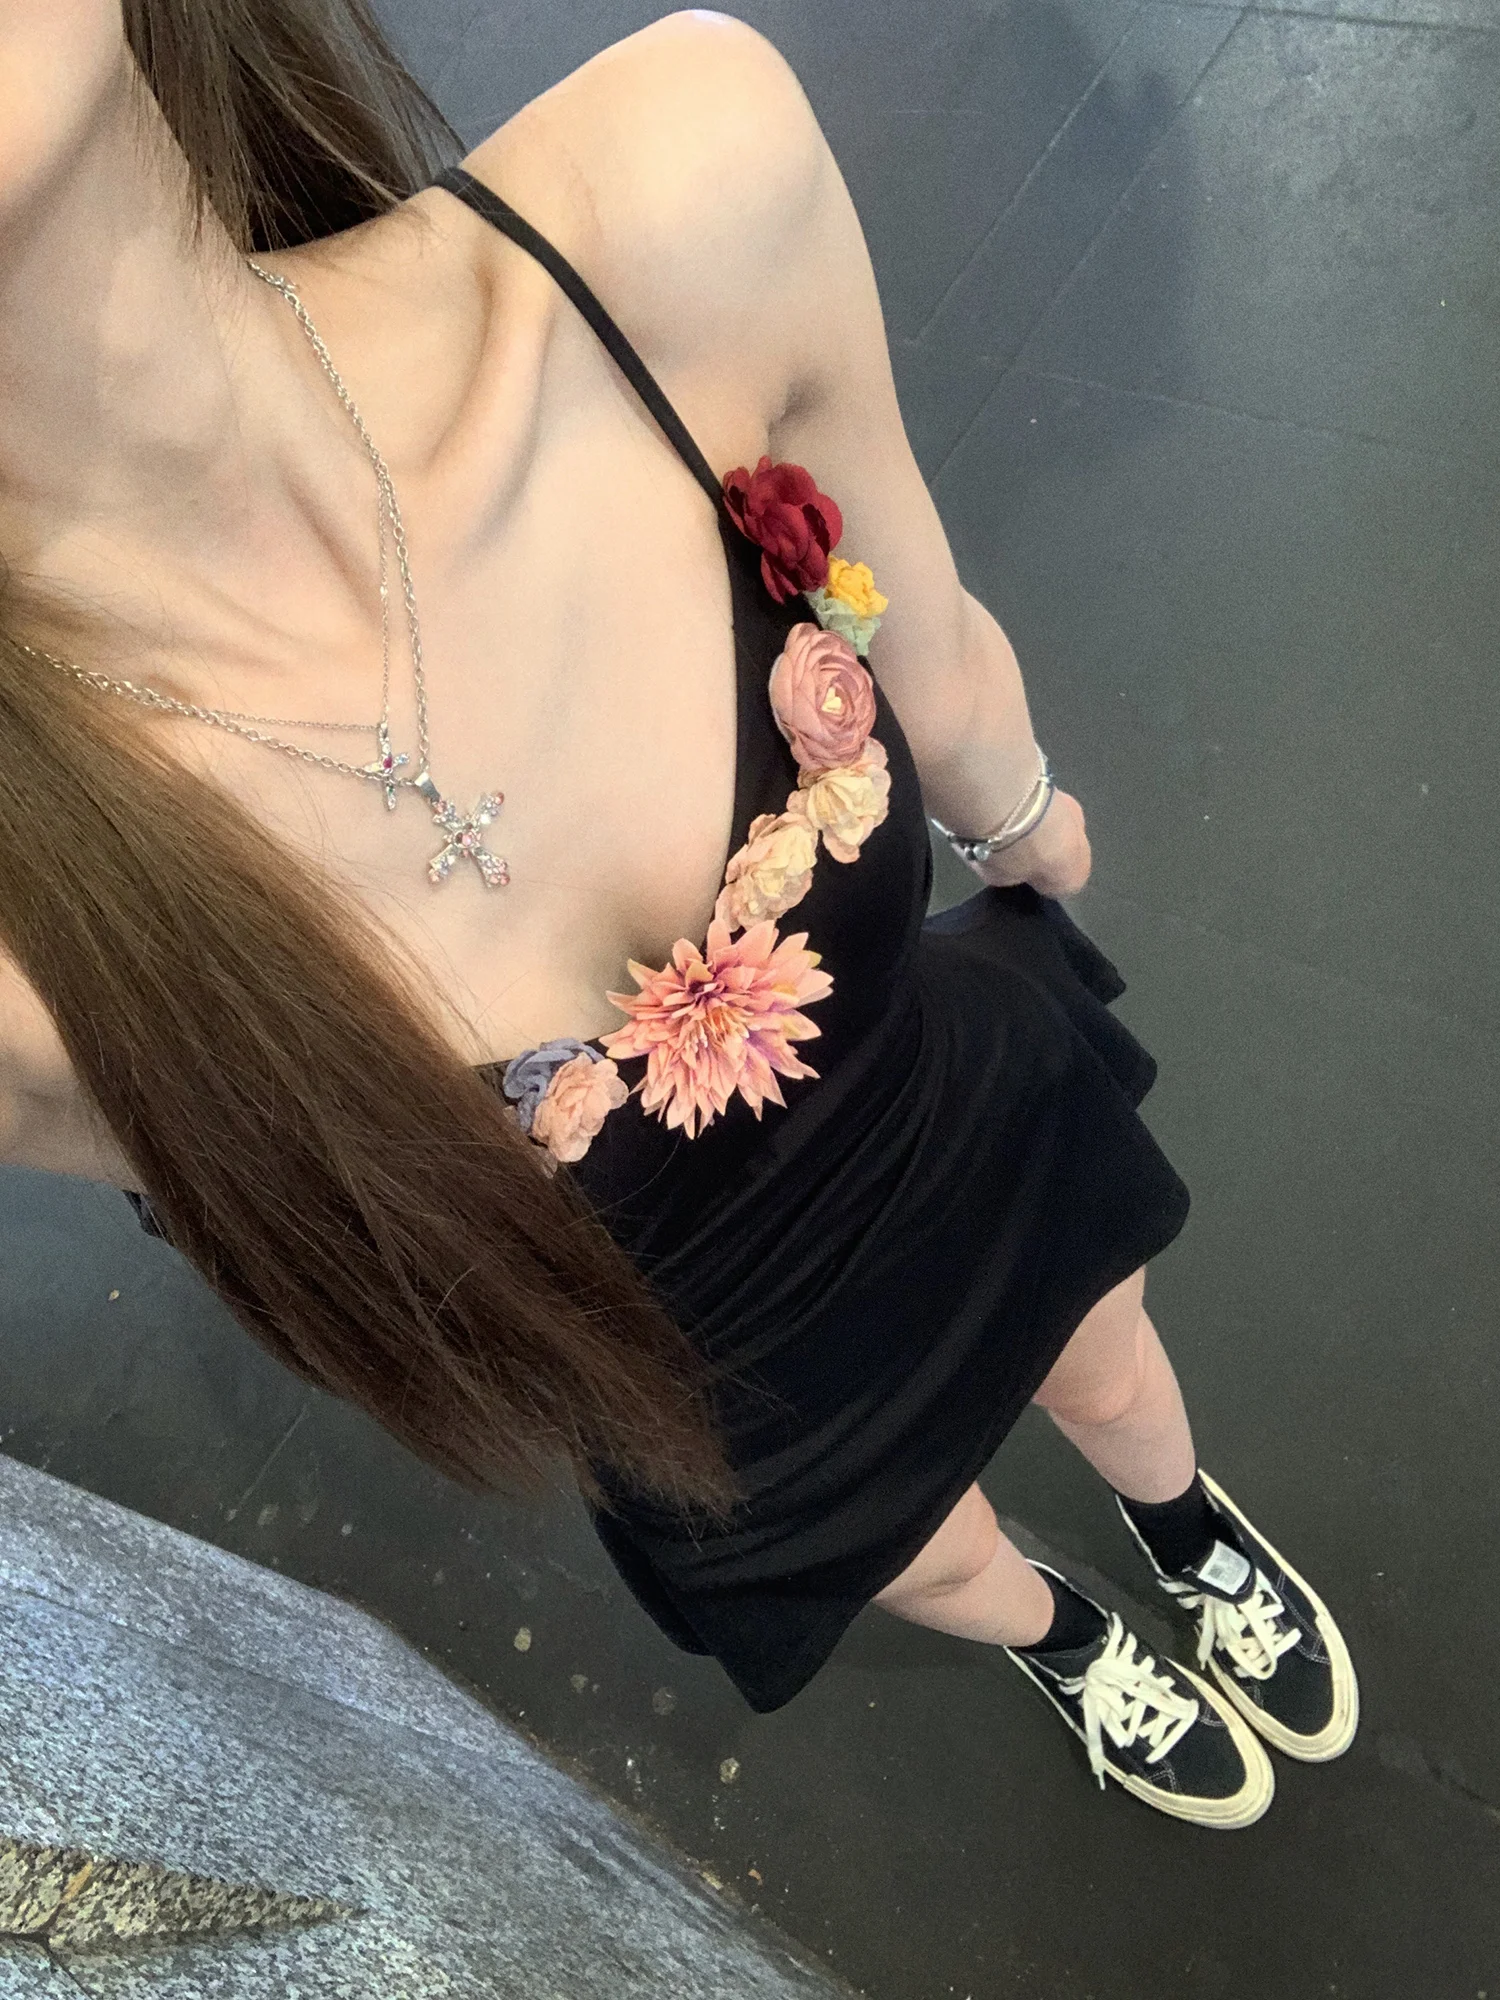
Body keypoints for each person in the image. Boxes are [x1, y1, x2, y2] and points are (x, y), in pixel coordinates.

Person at [0, 1, 1356, 1829]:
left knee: (1112, 1369)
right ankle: (1062, 1635)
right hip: (722, 1390)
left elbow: (931, 642)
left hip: (948, 1140)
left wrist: (1023, 817)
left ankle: (1184, 1528)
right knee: (933, 1555)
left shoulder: (673, 206)